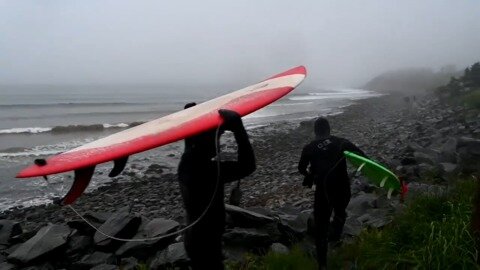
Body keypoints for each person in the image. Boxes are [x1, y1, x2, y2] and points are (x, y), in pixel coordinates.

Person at [177, 104, 256, 270]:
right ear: (204, 142)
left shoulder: (186, 162)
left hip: (193, 237)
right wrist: (238, 129)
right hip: (206, 242)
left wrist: (192, 114)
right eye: (215, 139)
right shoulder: (207, 171)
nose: (218, 144)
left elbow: (191, 138)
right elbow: (248, 166)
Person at [298, 117, 366, 269]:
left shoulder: (308, 148)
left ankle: (322, 264)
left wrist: (310, 174)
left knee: (321, 227)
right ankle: (336, 233)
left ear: (315, 132)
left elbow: (301, 168)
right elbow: (362, 157)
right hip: (342, 189)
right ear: (329, 130)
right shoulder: (341, 142)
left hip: (323, 191)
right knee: (340, 212)